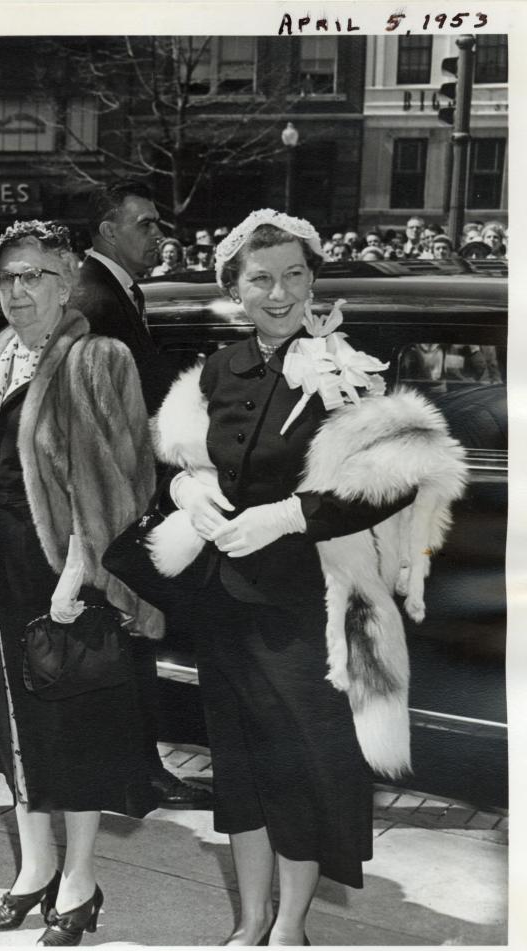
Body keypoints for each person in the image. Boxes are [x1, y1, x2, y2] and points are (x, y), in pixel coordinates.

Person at [149, 208, 465, 944]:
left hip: (308, 606)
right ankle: (250, 918)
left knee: (300, 766)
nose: (280, 292)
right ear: (235, 287)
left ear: (313, 281)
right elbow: (182, 458)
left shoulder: (345, 367)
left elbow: (391, 482)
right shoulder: (216, 371)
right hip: (227, 602)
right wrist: (183, 489)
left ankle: (290, 924)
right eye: (262, 279)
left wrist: (289, 515)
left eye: (295, 275)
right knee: (240, 766)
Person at [0, 220, 161, 945]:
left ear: (67, 279)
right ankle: (35, 866)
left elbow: (127, 476)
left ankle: (80, 878)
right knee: (16, 724)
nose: (19, 291)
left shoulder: (98, 358)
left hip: (66, 572)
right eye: (7, 277)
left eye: (35, 276)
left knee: (76, 729)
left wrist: (81, 567)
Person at [70, 181, 212, 809]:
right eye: (146, 224)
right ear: (108, 231)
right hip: (114, 500)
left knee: (134, 638)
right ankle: (134, 771)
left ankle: (137, 766)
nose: (159, 236)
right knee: (124, 637)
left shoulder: (120, 294)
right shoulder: (95, 301)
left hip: (132, 493)